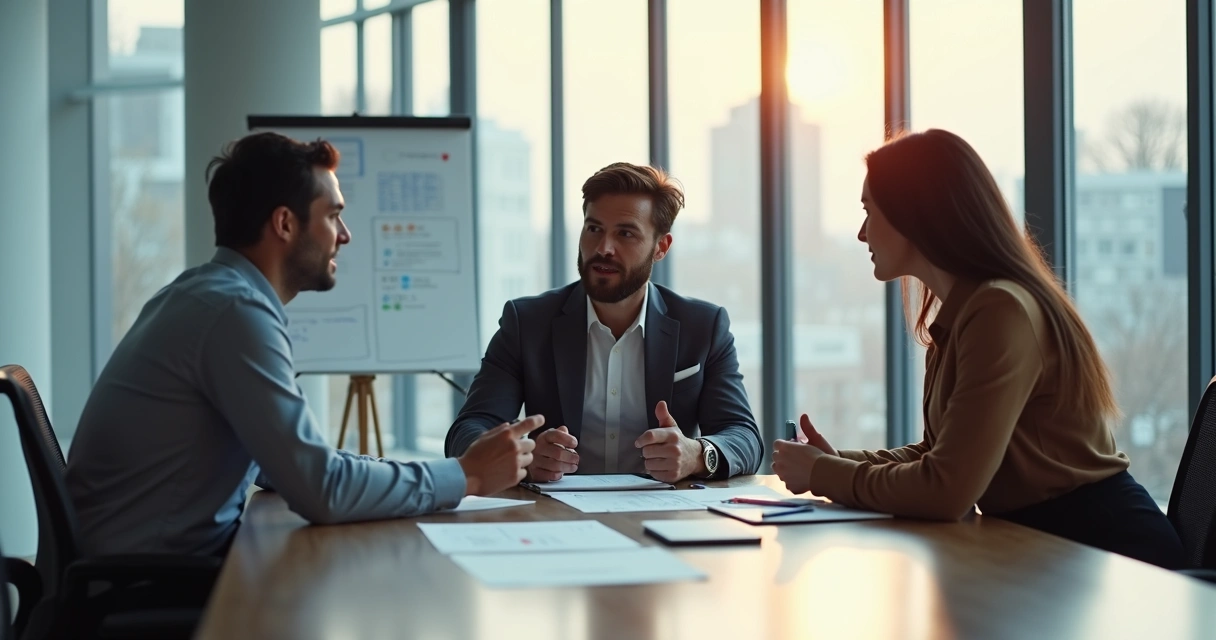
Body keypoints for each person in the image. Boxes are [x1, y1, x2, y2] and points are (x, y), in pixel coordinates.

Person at [66, 132, 538, 558]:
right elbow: (321, 489)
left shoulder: (206, 293)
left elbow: (290, 465)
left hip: (154, 562)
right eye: (333, 215)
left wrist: (415, 474)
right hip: (152, 581)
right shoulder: (235, 313)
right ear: (285, 224)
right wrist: (467, 475)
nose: (346, 235)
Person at [773, 129, 1185, 569]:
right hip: (1048, 551)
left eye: (868, 212)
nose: (860, 234)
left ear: (913, 215)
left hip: (1114, 560)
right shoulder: (965, 313)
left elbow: (947, 489)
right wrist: (834, 461)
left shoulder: (1000, 311)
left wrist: (822, 473)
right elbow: (940, 455)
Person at [446, 162, 761, 483]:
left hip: (665, 514)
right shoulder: (527, 322)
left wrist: (697, 454)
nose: (603, 249)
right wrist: (523, 456)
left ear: (660, 248)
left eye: (625, 233)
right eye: (594, 229)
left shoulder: (703, 326)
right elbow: (468, 429)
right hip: (555, 516)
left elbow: (743, 436)